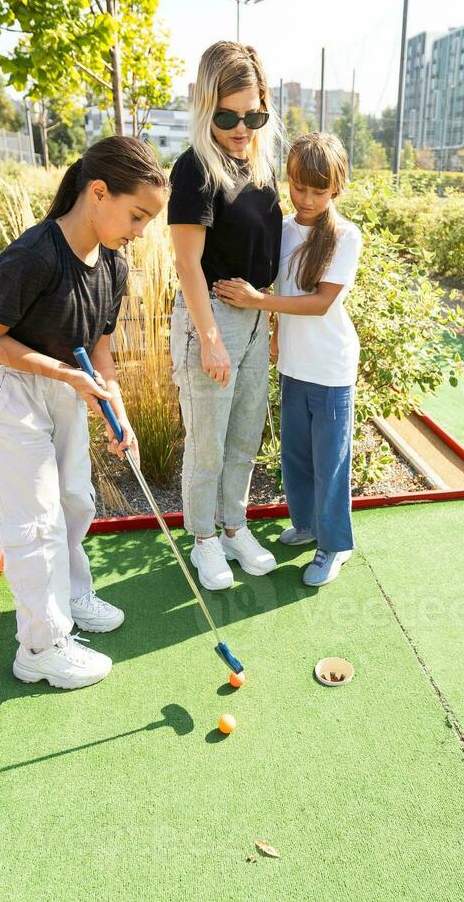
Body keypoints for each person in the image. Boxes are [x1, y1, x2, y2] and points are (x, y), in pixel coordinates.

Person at [0, 136, 167, 689]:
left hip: (66, 387)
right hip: (12, 389)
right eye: (137, 215)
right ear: (98, 192)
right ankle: (40, 645)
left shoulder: (113, 267)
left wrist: (116, 416)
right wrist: (62, 375)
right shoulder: (32, 256)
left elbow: (100, 352)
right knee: (35, 520)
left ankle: (73, 597)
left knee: (76, 499)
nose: (141, 230)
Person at [215, 132, 361, 587]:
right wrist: (276, 335)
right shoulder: (284, 227)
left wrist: (259, 304)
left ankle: (334, 545)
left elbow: (319, 303)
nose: (307, 198)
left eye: (319, 190)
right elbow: (286, 290)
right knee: (296, 457)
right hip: (295, 364)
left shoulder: (345, 235)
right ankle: (307, 526)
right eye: (299, 186)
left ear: (336, 188)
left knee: (329, 463)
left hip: (332, 369)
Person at [167, 41, 284, 591]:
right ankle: (204, 541)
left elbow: (268, 257)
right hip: (209, 318)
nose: (242, 127)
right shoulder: (194, 168)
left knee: (244, 435)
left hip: (256, 319)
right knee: (206, 440)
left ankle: (234, 526)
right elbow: (187, 263)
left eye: (254, 114)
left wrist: (273, 321)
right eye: (228, 116)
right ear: (206, 107)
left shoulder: (258, 166)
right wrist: (209, 337)